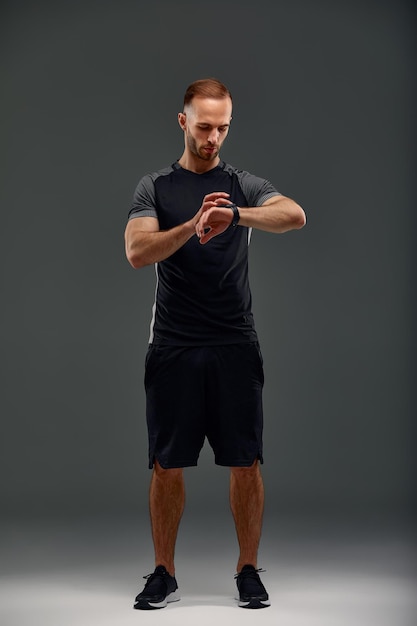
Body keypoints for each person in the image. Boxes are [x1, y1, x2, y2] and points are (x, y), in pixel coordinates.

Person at [124, 78, 306, 611]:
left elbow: (293, 214)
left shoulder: (241, 183)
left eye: (223, 127)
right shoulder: (155, 187)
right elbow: (138, 251)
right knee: (166, 464)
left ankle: (248, 570)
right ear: (183, 122)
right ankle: (164, 572)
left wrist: (235, 215)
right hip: (174, 344)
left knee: (246, 462)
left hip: (234, 342)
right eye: (204, 126)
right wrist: (194, 223)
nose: (213, 137)